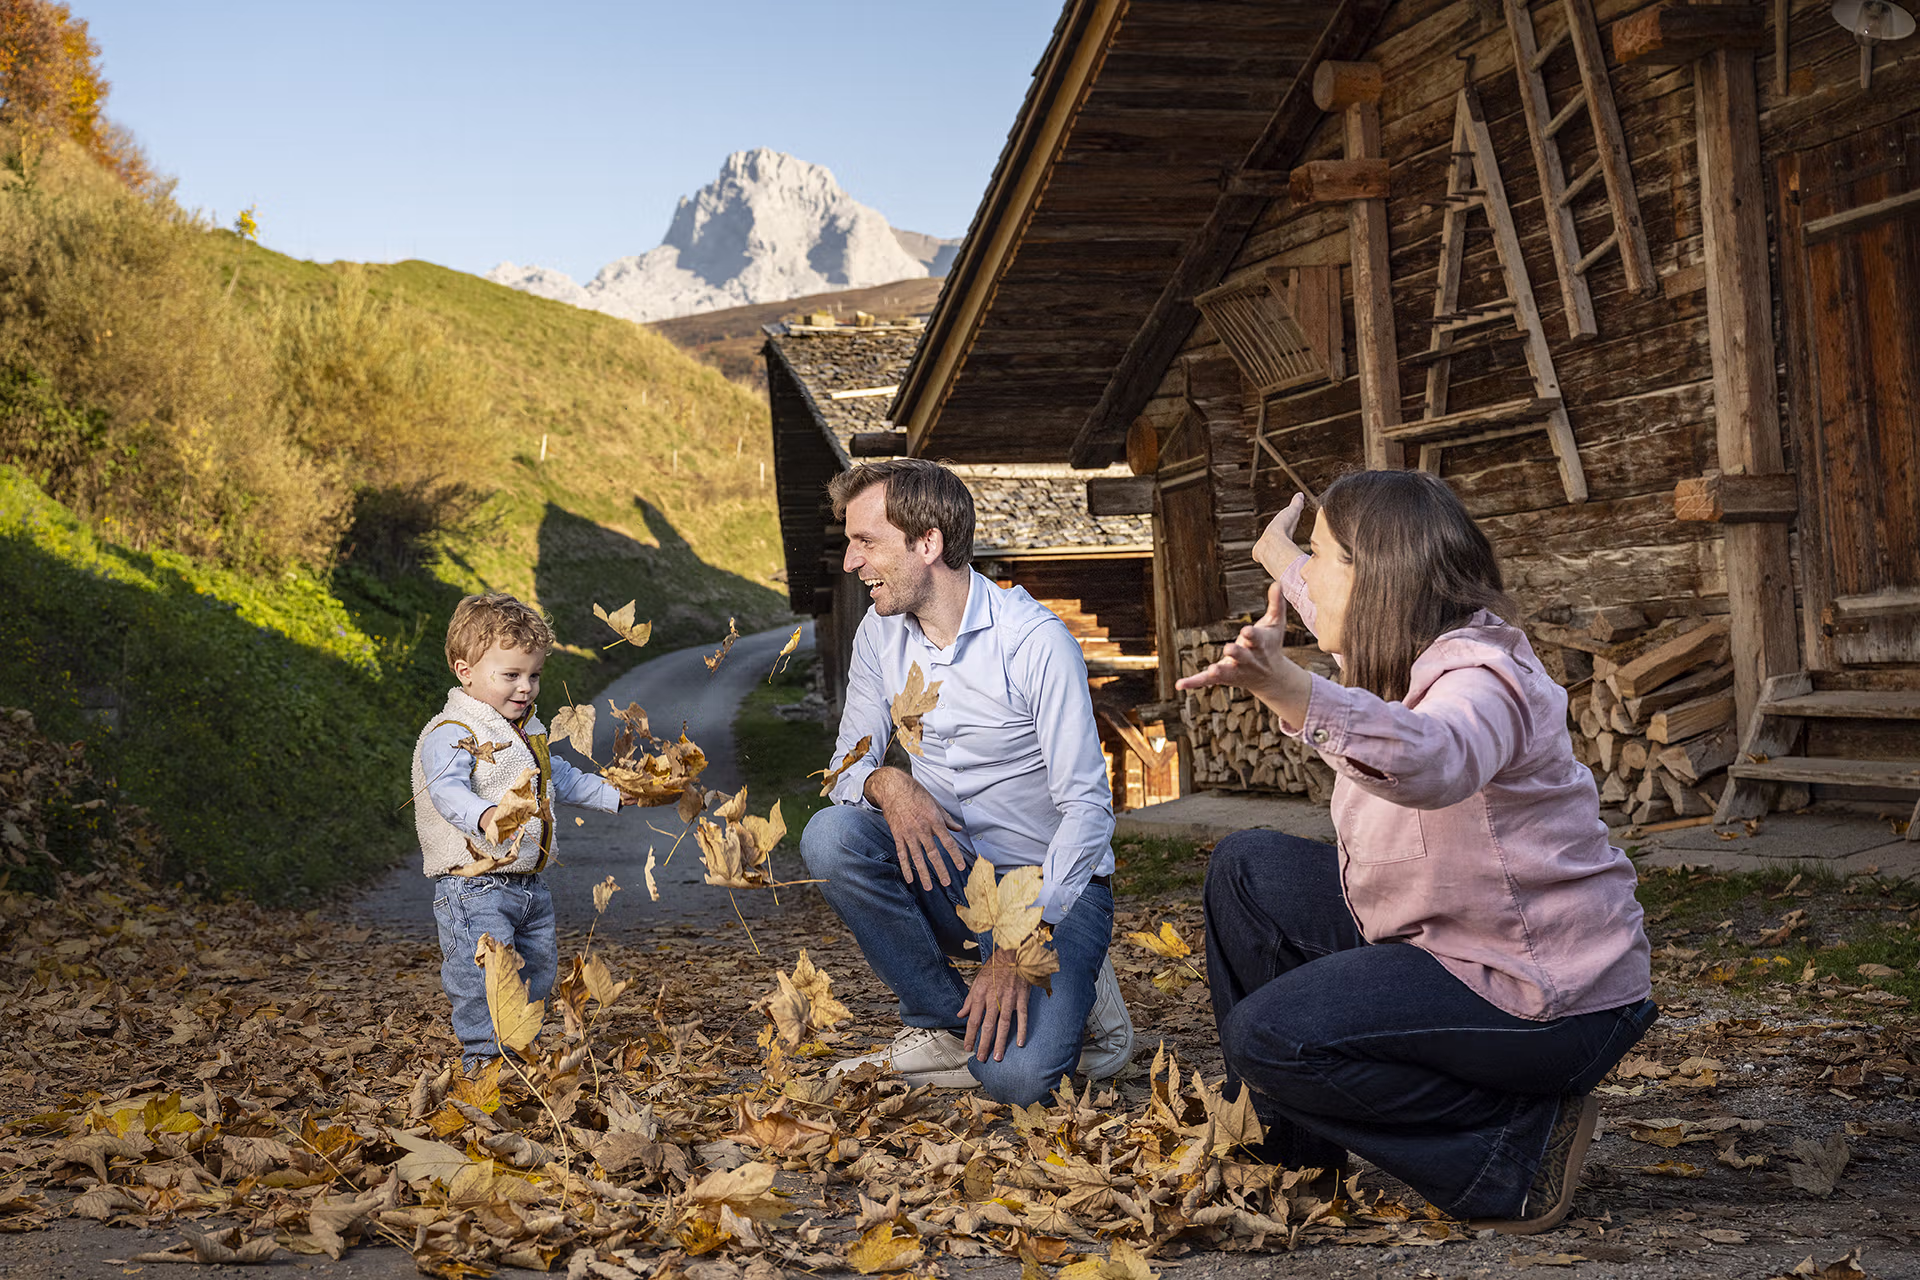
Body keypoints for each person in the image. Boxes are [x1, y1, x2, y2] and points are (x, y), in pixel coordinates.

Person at [1180, 470, 1655, 1235]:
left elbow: (1438, 758)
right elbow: (1313, 586)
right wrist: (1279, 551)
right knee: (1246, 869)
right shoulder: (1397, 643)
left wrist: (1291, 690)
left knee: (1268, 1035)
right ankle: (1292, 1165)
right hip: (1453, 939)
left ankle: (1508, 1151)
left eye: (1325, 556)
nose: (1309, 574)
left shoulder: (1482, 677)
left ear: (1382, 580)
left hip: (1544, 997)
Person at [800, 459, 1133, 1105]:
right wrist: (889, 788)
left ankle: (1080, 986)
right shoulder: (878, 632)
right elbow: (847, 765)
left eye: (866, 542)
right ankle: (947, 1023)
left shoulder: (1033, 642)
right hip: (951, 872)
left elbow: (1089, 813)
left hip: (1046, 891)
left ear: (928, 543)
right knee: (832, 837)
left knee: (1016, 1081)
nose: (850, 563)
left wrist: (1014, 947)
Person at [411, 592, 638, 1069]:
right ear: (465, 671)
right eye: (510, 675)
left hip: (528, 883)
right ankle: (485, 1062)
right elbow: (445, 790)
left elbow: (559, 777)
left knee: (536, 972)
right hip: (472, 884)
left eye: (533, 675)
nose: (526, 687)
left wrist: (612, 794)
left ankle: (520, 1051)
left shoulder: (523, 730)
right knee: (486, 978)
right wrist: (485, 816)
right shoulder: (452, 730)